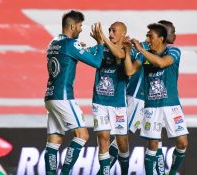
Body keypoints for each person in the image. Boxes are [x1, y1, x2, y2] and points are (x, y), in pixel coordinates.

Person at [44, 10, 104, 175]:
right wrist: (100, 43)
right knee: (82, 135)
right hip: (63, 97)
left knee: (54, 140)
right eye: (80, 26)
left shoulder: (53, 42)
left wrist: (80, 50)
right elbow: (97, 62)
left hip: (50, 96)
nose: (81, 29)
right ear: (72, 26)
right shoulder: (71, 44)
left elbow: (65, 58)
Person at [124, 23, 189, 175]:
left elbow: (161, 63)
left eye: (150, 36)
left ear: (161, 38)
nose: (147, 39)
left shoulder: (173, 51)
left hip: (171, 105)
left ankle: (172, 172)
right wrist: (128, 52)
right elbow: (130, 71)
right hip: (151, 106)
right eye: (147, 36)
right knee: (152, 145)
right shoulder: (144, 54)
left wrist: (140, 49)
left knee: (182, 142)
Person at [88, 22, 130, 175]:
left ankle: (124, 171)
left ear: (123, 34)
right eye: (109, 30)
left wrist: (102, 38)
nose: (111, 33)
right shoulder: (101, 47)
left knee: (122, 142)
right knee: (103, 138)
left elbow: (120, 55)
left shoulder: (126, 48)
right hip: (100, 101)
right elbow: (87, 53)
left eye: (114, 31)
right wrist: (83, 47)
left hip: (118, 103)